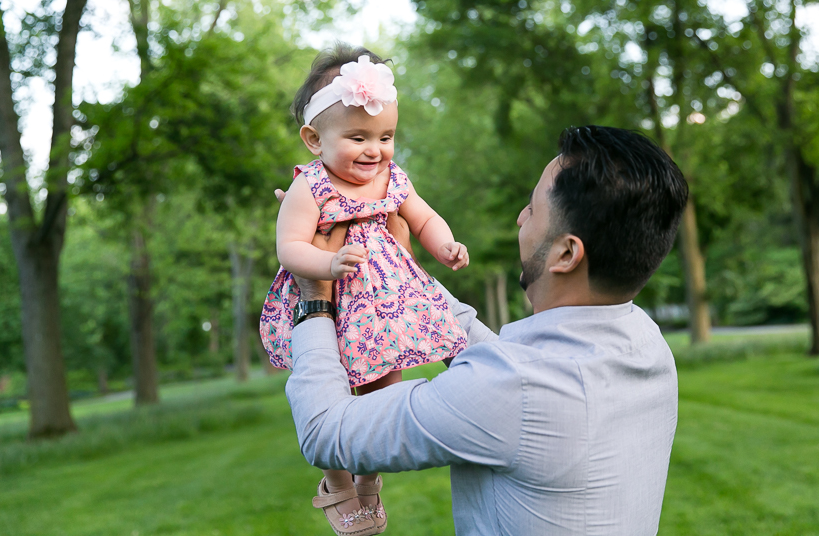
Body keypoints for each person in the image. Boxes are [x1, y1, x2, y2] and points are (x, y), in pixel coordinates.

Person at [285, 125, 690, 535]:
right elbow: (500, 363)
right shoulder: (646, 343)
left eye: (532, 209)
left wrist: (315, 296)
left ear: (566, 253)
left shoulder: (512, 388)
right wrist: (400, 273)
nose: (520, 218)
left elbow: (325, 431)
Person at [262, 44, 470, 536]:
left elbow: (422, 215)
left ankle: (369, 476)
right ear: (314, 139)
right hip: (327, 305)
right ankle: (337, 480)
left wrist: (444, 245)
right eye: (358, 137)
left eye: (386, 136)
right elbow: (290, 247)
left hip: (382, 309)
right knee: (325, 384)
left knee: (384, 384)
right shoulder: (308, 187)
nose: (375, 150)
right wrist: (328, 263)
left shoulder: (391, 178)